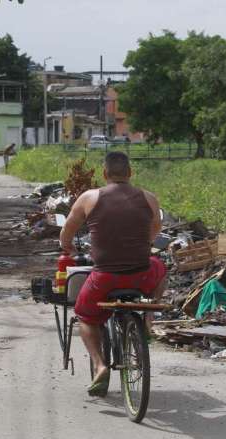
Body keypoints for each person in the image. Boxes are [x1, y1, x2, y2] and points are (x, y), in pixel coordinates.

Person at [60, 151, 167, 397]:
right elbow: (155, 231)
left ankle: (99, 366)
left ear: (104, 173)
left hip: (104, 278)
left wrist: (67, 246)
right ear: (130, 173)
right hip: (141, 275)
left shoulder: (89, 197)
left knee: (85, 316)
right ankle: (148, 320)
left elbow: (67, 230)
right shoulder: (149, 198)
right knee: (162, 270)